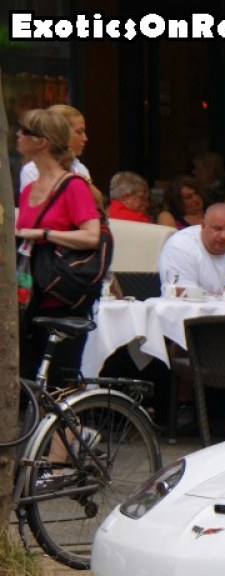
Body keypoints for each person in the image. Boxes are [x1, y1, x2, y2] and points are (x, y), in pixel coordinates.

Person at [15, 108, 103, 383]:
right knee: (27, 382)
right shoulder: (30, 187)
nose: (17, 136)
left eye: (24, 132)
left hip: (61, 295)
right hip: (30, 296)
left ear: (41, 141)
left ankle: (68, 428)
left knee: (59, 387)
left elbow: (92, 235)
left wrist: (44, 233)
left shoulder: (73, 185)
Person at [19, 103, 90, 193]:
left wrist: (89, 188)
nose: (85, 138)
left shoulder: (79, 168)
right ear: (61, 133)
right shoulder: (31, 171)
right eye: (79, 132)